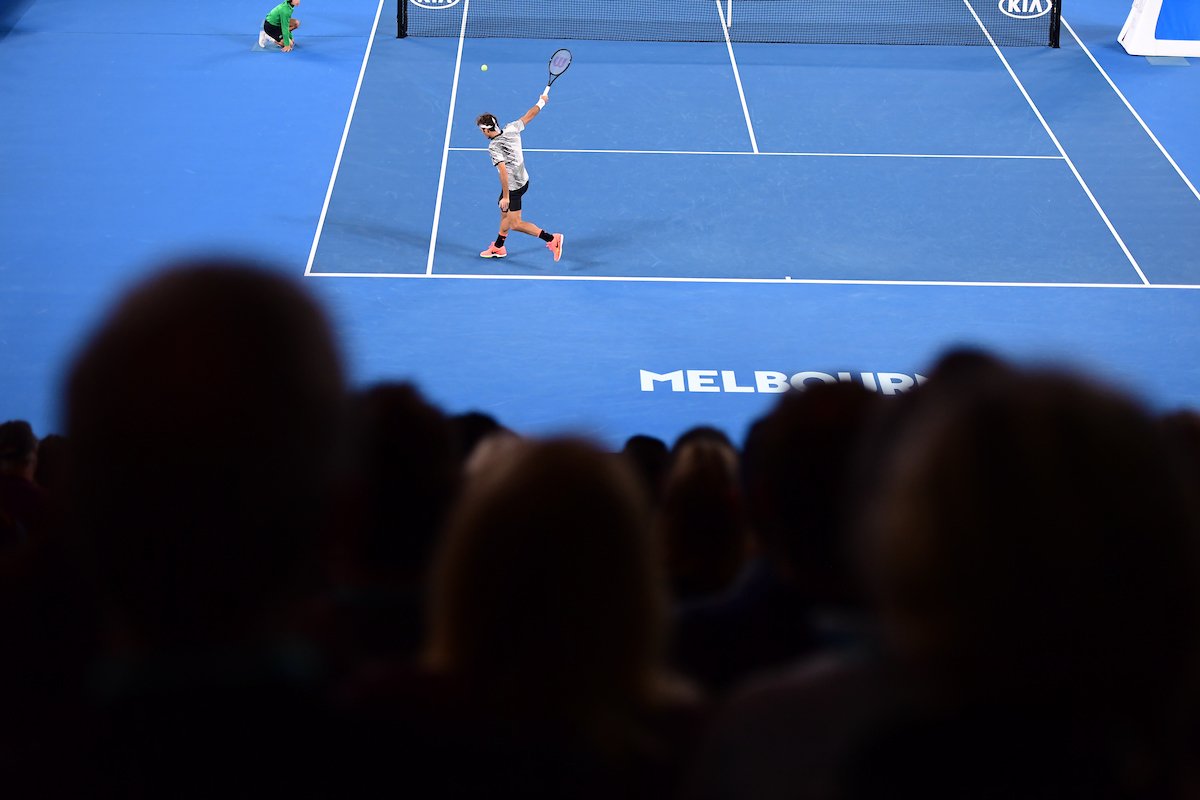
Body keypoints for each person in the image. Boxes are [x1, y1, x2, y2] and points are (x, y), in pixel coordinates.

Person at [476, 97, 564, 262]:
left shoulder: (494, 147)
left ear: (486, 130)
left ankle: (552, 239)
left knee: (515, 223)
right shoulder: (511, 128)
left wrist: (507, 196)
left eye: (482, 131)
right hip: (523, 180)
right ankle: (498, 246)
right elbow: (530, 115)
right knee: (504, 214)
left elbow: (503, 172)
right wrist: (541, 102)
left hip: (513, 187)